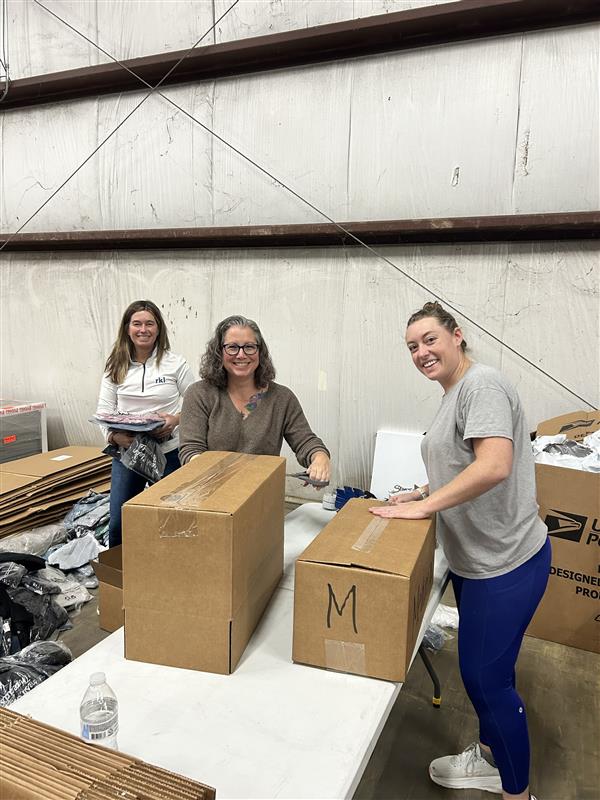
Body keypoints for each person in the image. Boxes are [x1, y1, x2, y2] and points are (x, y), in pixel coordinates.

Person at [370, 301, 549, 800]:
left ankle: (517, 794)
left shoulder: (481, 385)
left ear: (457, 335)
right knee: (492, 672)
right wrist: (421, 492)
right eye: (412, 346)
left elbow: (494, 465)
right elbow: (462, 462)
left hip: (505, 564)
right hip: (475, 562)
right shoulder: (454, 393)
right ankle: (490, 761)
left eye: (430, 339)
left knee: (486, 681)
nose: (421, 352)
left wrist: (423, 510)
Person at [178, 315, 330, 485]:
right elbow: (191, 450)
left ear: (260, 351)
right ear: (219, 352)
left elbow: (305, 441)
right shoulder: (200, 394)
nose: (241, 355)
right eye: (232, 347)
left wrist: (319, 458)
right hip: (210, 490)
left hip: (261, 493)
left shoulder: (282, 398)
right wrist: (214, 471)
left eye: (249, 347)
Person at [97, 300, 195, 548]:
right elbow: (103, 411)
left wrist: (176, 420)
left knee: (174, 522)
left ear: (158, 328)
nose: (143, 329)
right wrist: (114, 438)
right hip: (128, 454)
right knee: (119, 522)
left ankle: (171, 565)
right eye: (137, 324)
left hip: (168, 453)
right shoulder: (115, 366)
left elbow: (197, 404)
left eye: (149, 324)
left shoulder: (176, 364)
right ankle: (118, 567)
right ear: (127, 328)